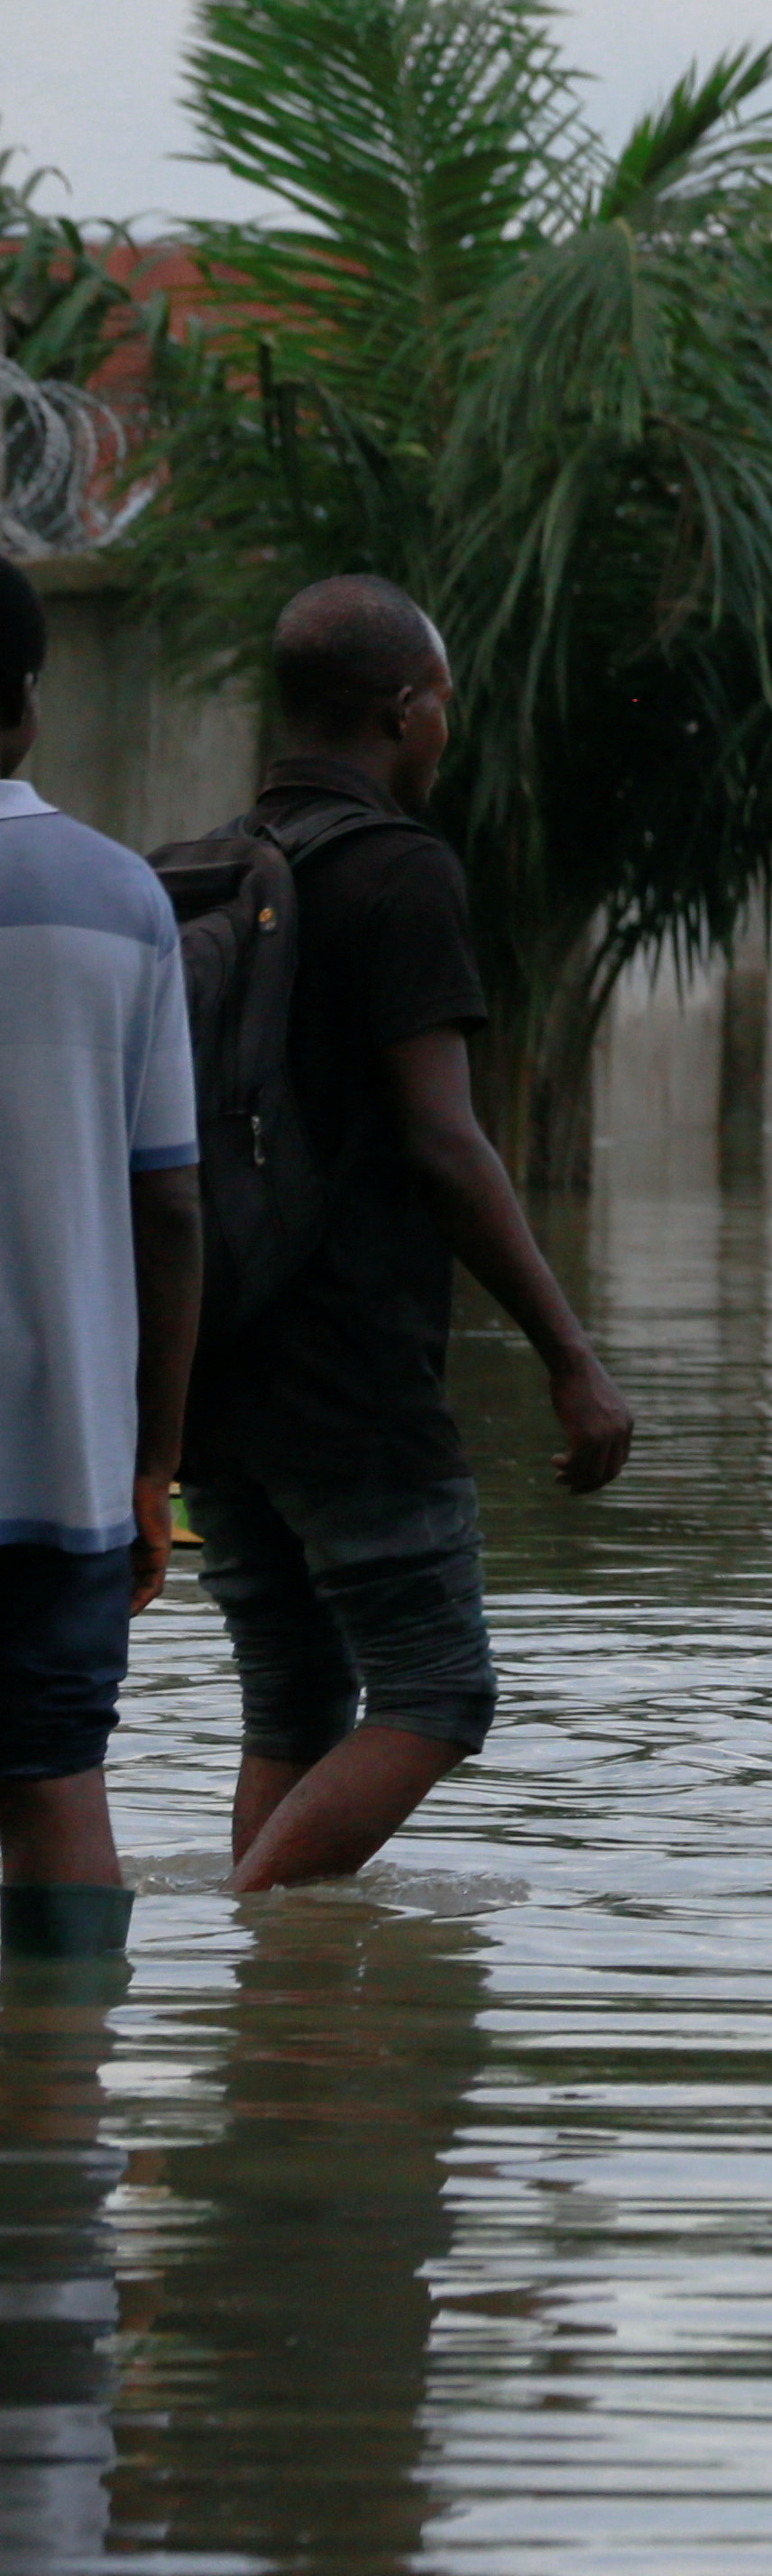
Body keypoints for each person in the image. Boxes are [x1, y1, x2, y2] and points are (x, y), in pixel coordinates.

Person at [179, 576, 632, 1895]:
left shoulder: (205, 866)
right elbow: (445, 1139)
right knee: (439, 1690)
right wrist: (569, 1354)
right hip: (350, 1363)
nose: (448, 726)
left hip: (213, 1356)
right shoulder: (398, 871)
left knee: (293, 1695)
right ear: (404, 706)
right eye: (442, 701)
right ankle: (256, 1918)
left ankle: (276, 2015)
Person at [0, 561, 201, 1960]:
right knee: (61, 1778)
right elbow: (172, 1208)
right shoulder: (121, 901)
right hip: (61, 1462)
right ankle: (58, 2145)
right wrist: (153, 1466)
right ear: (20, 706)